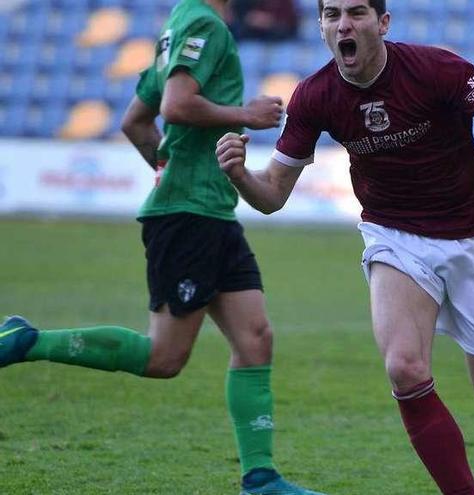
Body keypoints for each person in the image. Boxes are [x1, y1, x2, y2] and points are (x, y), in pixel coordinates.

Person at [215, 1, 474, 492]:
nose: (344, 24)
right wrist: (239, 175)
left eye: (358, 12)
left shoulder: (438, 69)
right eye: (331, 14)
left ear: (382, 23)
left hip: (472, 236)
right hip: (393, 236)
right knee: (404, 368)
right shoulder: (315, 96)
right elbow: (273, 194)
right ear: (322, 28)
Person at [0, 1, 323, 494]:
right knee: (164, 358)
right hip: (190, 215)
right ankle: (28, 341)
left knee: (255, 338)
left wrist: (166, 167)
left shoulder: (179, 25)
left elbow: (136, 120)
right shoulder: (203, 23)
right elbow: (174, 106)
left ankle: (261, 479)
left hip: (210, 210)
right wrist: (244, 114)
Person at [230, 0, 300, 41]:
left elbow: (290, 26)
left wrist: (271, 22)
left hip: (279, 36)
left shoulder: (286, 3)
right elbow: (246, 17)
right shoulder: (256, 2)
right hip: (257, 35)